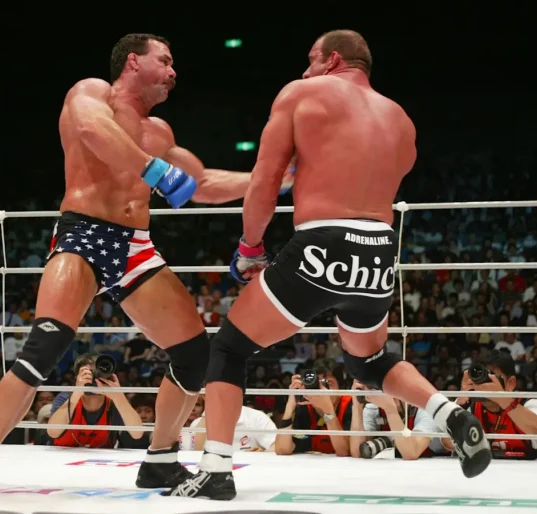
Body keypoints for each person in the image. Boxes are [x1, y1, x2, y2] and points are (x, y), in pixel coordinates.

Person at [0, 33, 292, 496]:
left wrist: (271, 179)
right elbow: (95, 132)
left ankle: (160, 459)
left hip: (135, 246)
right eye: (165, 60)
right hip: (84, 234)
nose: (173, 72)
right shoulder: (92, 93)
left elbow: (202, 183)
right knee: (44, 348)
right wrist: (154, 170)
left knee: (195, 355)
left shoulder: (160, 132)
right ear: (133, 61)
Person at [166, 30, 492, 500]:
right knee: (369, 360)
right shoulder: (401, 119)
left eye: (311, 59)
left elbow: (265, 181)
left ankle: (216, 469)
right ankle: (449, 412)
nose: (305, 70)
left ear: (334, 58)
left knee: (230, 348)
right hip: (380, 249)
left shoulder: (301, 94)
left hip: (324, 241)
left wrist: (251, 247)